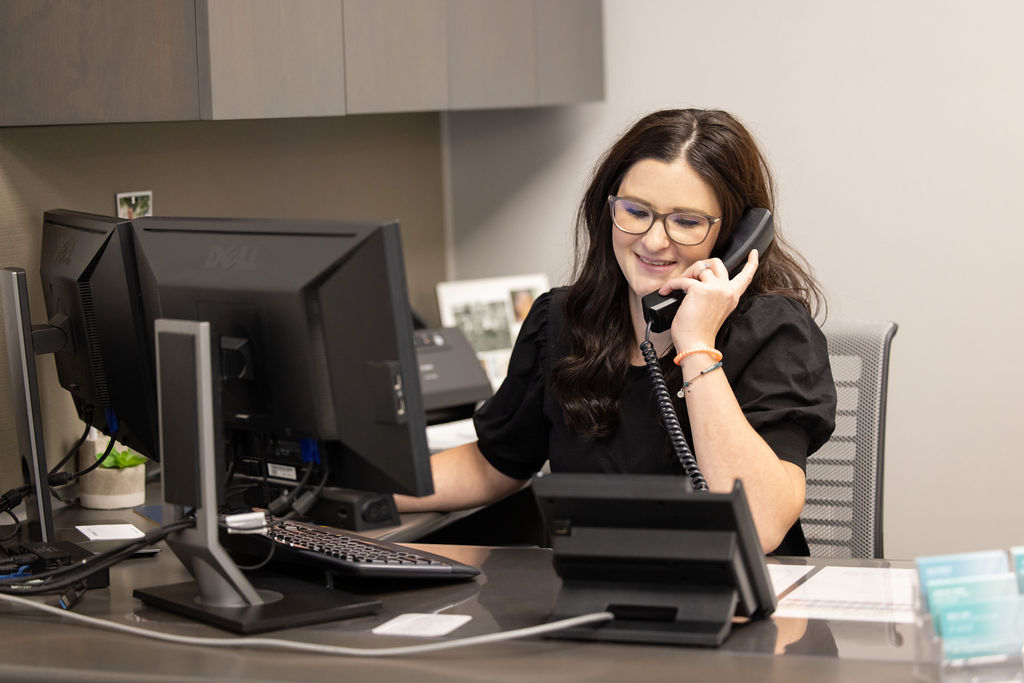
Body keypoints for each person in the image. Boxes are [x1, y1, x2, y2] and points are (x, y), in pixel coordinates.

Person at [399, 109, 836, 555]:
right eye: (635, 212)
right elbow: (493, 464)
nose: (653, 241)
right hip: (593, 599)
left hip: (740, 609)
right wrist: (360, 493)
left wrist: (696, 344)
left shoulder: (772, 331)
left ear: (736, 235)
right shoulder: (563, 320)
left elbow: (760, 525)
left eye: (686, 222)